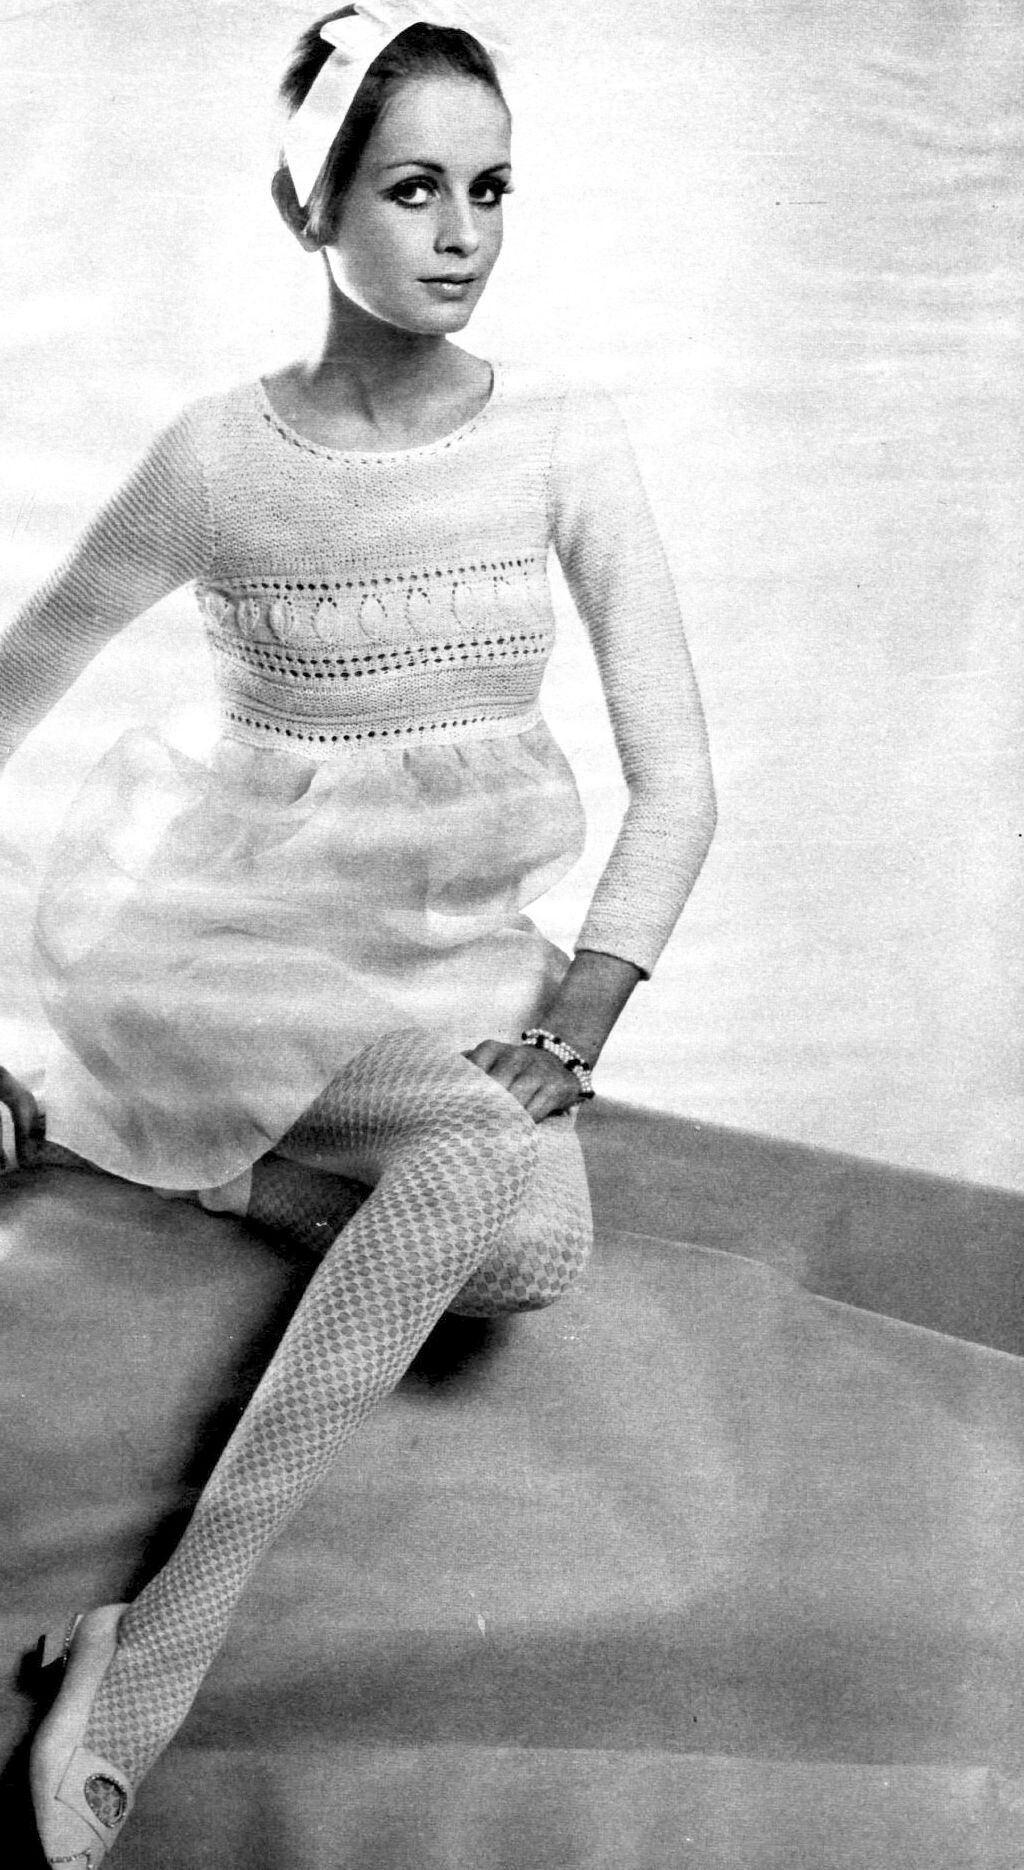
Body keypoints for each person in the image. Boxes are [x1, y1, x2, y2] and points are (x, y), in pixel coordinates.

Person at [0, 5, 716, 1862]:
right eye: (412, 190)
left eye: (491, 188)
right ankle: (149, 1660)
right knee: (471, 1162)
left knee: (532, 1248)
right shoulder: (214, 460)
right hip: (220, 956)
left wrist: (576, 1022)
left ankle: (199, 1170)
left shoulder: (560, 435)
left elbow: (681, 784)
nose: (463, 234)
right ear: (305, 207)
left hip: (450, 968)